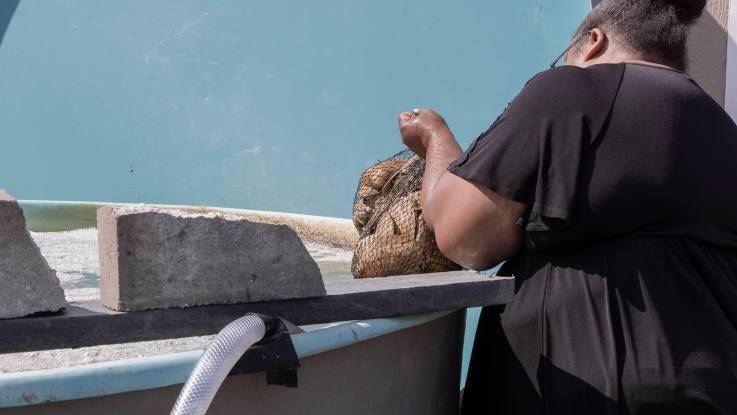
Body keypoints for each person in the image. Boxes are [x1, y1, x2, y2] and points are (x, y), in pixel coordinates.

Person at [398, 0, 737, 413]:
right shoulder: (722, 130)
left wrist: (435, 141)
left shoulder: (570, 90)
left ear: (593, 42)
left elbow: (465, 238)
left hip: (581, 393)